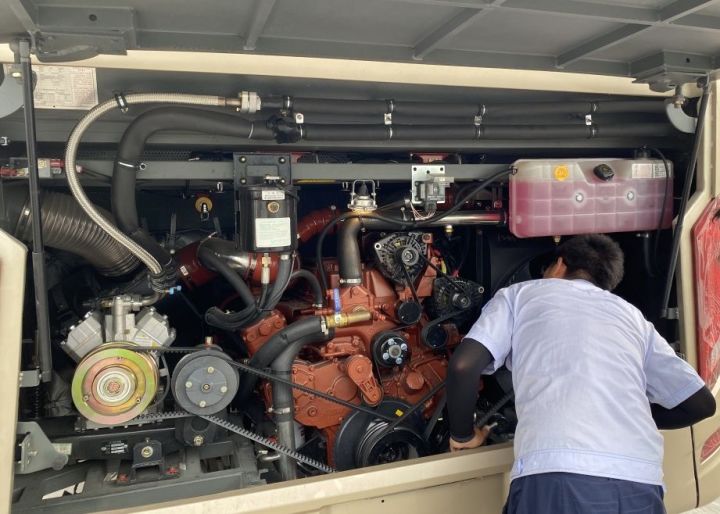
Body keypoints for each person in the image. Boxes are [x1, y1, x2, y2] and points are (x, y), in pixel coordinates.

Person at [446, 234, 716, 514]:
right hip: (640, 481)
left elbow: (464, 366)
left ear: (559, 265)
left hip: (559, 474)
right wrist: (623, 414)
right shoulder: (633, 318)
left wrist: (463, 435)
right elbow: (701, 404)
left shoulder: (520, 295)